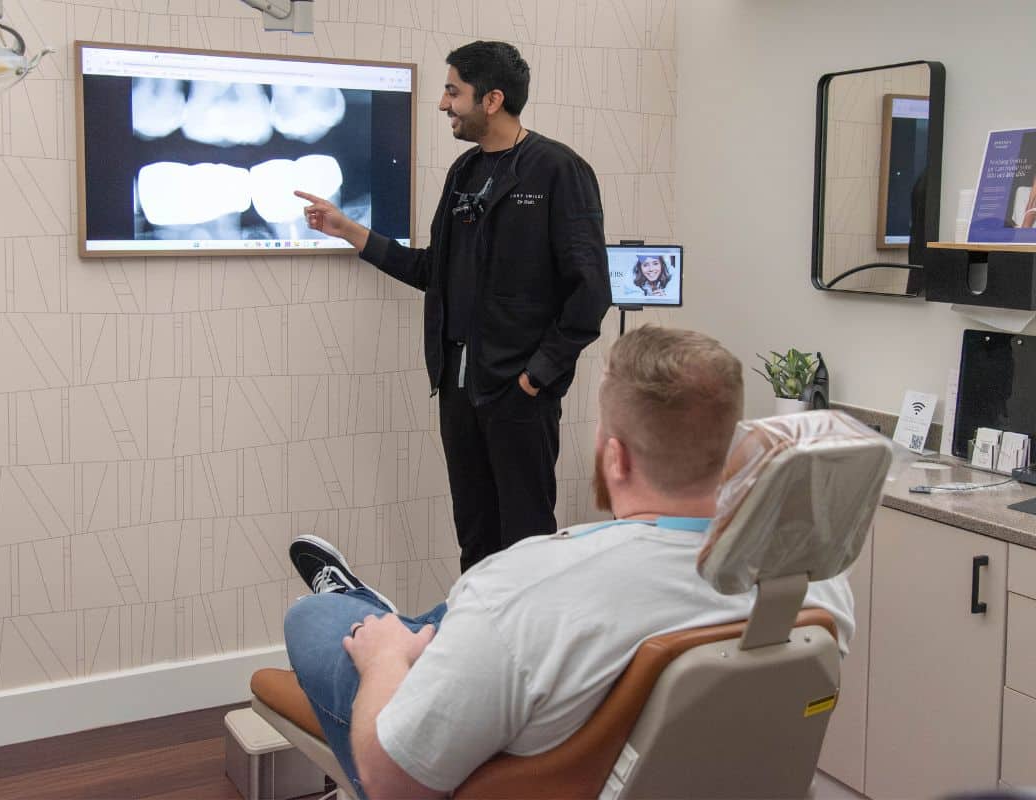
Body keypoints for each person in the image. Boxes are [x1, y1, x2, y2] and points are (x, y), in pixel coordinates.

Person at [282, 324, 855, 800]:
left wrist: (384, 661)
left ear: (616, 456)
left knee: (315, 620)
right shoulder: (814, 588)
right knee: (459, 624)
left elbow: (392, 786)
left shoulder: (522, 586)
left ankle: (371, 615)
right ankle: (420, 632)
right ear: (732, 447)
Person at [295, 41, 610, 572]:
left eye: (451, 91)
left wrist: (538, 375)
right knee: (475, 536)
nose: (443, 104)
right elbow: (431, 272)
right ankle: (476, 646)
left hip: (518, 392)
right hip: (459, 390)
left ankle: (527, 651)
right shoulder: (464, 173)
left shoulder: (557, 170)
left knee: (527, 541)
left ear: (491, 99)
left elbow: (591, 291)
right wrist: (347, 230)